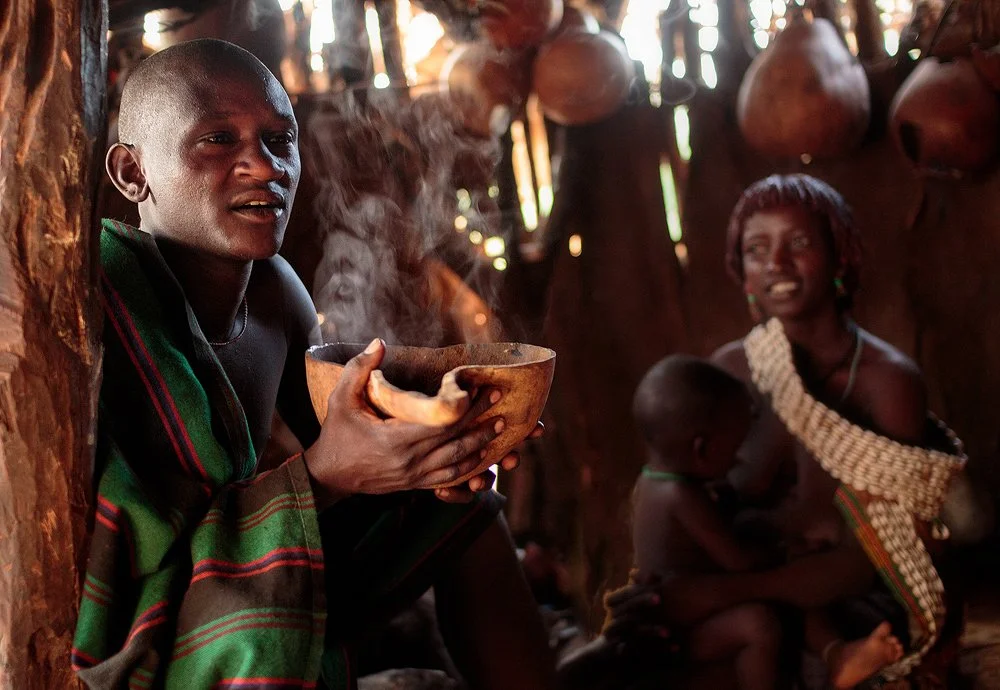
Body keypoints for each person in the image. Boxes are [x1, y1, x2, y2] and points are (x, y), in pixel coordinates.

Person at [71, 39, 555, 689]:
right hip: (143, 635)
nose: (264, 166)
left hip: (235, 569)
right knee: (248, 609)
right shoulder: (96, 318)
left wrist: (433, 449)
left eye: (280, 138)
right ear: (132, 174)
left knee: (458, 506)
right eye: (218, 139)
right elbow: (134, 571)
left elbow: (332, 452)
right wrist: (330, 474)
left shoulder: (274, 292)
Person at [604, 174, 965, 687]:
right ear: (743, 273)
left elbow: (886, 555)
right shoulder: (725, 375)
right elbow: (687, 504)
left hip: (849, 605)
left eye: (799, 243)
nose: (777, 263)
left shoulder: (886, 382)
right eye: (757, 249)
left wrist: (722, 593)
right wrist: (671, 590)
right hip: (749, 599)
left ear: (839, 256)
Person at [631, 354, 902, 689]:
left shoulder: (650, 483)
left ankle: (836, 655)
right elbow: (738, 561)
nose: (739, 458)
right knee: (758, 624)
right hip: (683, 629)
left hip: (705, 602)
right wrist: (780, 553)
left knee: (788, 591)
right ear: (701, 450)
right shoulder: (683, 497)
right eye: (734, 447)